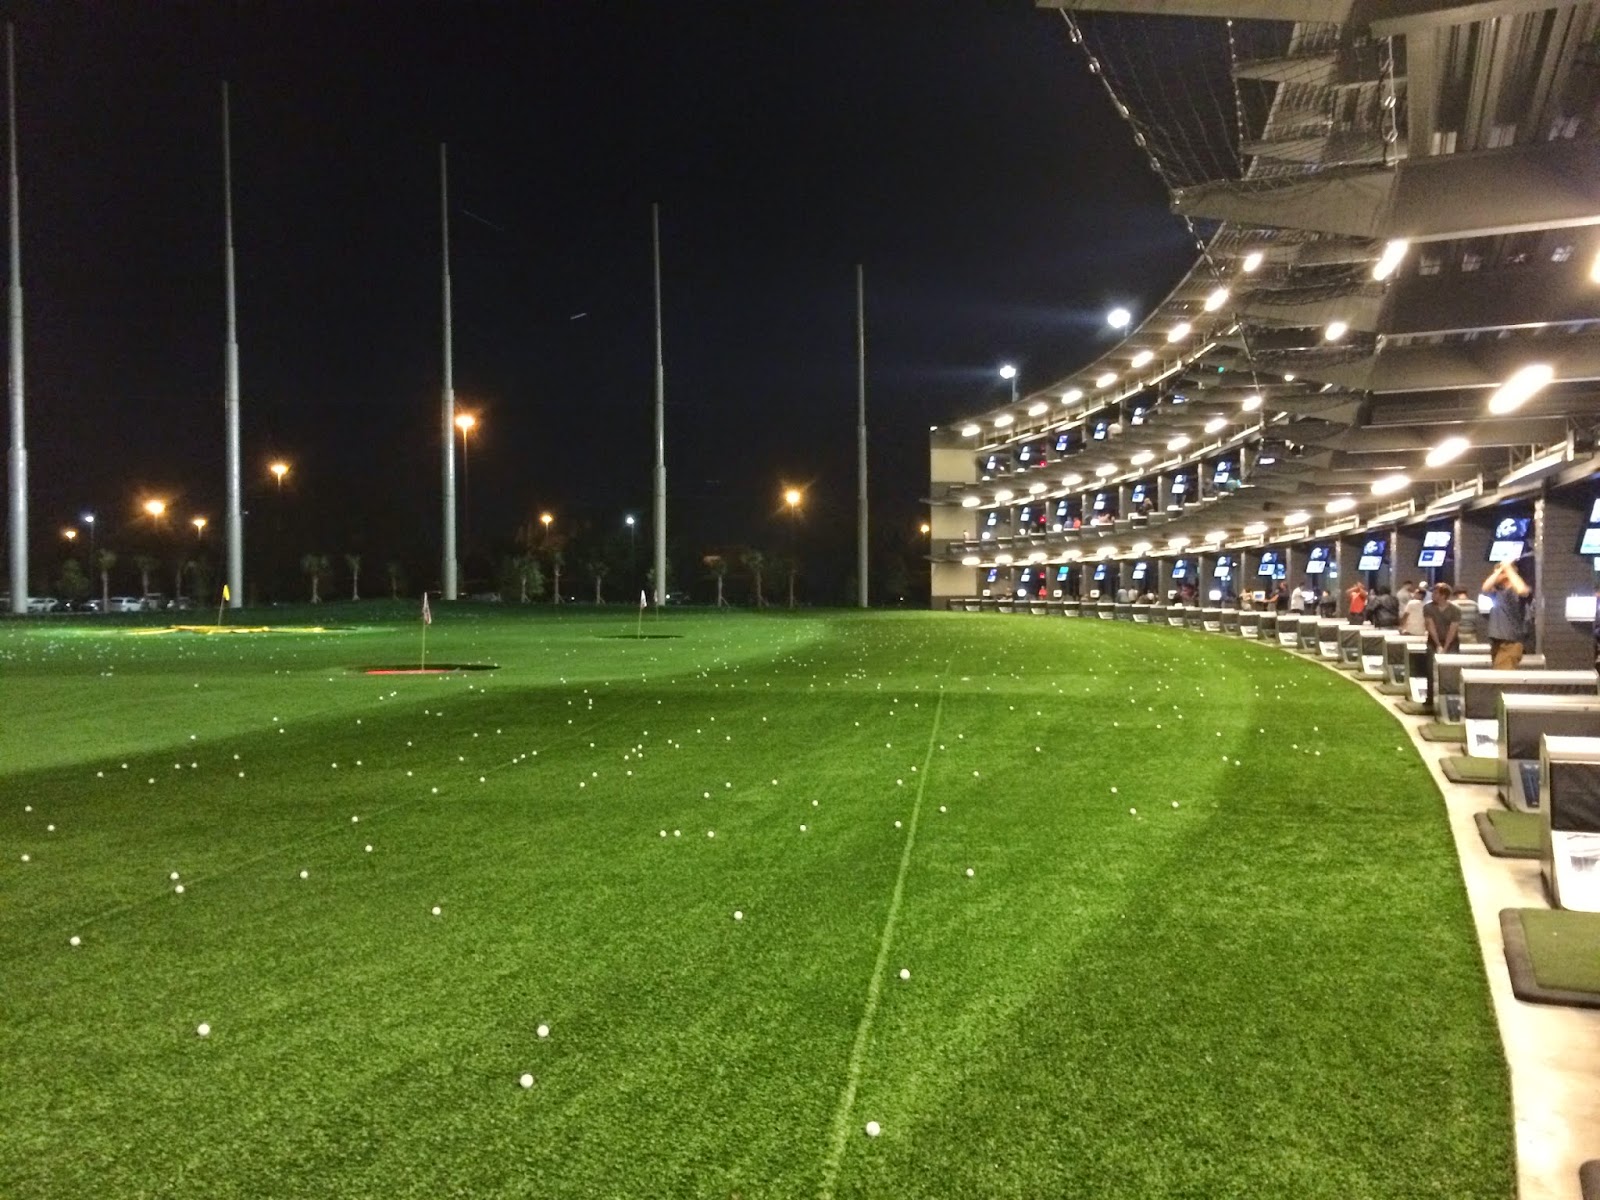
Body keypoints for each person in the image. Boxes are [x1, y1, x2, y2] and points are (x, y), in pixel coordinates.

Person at [1481, 559, 1531, 668]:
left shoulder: (1515, 590)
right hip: (1497, 643)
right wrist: (1499, 571)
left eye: (1499, 573)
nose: (1494, 577)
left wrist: (1508, 569)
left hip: (1511, 643)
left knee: (1503, 681)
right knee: (1498, 679)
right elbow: (1485, 588)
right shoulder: (1497, 592)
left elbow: (1523, 591)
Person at [1422, 582, 1460, 703]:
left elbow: (1453, 629)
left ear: (1443, 595)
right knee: (1430, 669)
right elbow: (1430, 626)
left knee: (1450, 670)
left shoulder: (1455, 610)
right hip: (1433, 642)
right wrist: (1438, 645)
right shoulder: (1428, 608)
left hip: (1452, 643)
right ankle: (1430, 698)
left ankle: (1450, 698)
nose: (1432, 594)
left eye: (1435, 593)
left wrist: (1445, 647)